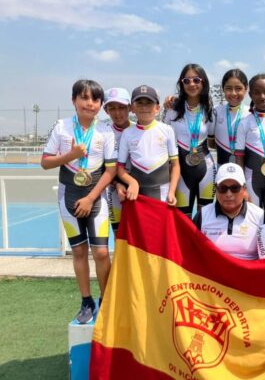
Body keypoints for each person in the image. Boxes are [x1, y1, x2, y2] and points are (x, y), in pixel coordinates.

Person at [41, 79, 116, 324]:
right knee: (79, 251)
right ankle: (86, 301)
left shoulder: (105, 130)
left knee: (102, 253)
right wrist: (71, 156)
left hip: (95, 199)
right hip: (69, 197)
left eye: (95, 99)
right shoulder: (61, 127)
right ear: (74, 100)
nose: (90, 103)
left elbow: (111, 170)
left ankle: (106, 299)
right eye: (84, 98)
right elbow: (45, 162)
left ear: (101, 104)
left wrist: (91, 197)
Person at [164, 64, 216, 218]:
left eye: (196, 80)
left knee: (204, 219)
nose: (192, 84)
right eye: (186, 81)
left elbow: (213, 142)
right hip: (180, 172)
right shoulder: (172, 110)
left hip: (206, 170)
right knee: (182, 220)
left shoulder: (210, 110)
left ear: (203, 82)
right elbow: (164, 142)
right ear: (181, 84)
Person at [117, 85, 180, 204]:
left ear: (157, 108)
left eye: (149, 103)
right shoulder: (127, 133)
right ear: (132, 108)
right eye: (139, 103)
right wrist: (132, 182)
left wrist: (171, 191)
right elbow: (120, 168)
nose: (144, 107)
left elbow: (175, 166)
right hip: (136, 194)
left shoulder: (167, 130)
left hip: (164, 192)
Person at [235, 73, 265, 223]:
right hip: (251, 179)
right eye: (257, 92)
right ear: (250, 94)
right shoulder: (244, 123)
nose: (262, 96)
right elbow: (239, 157)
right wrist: (241, 185)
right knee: (252, 219)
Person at [193, 163, 264, 260]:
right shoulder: (202, 216)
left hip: (247, 274)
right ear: (216, 189)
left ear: (244, 189)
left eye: (235, 188)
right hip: (212, 274)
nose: (228, 194)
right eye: (223, 188)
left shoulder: (260, 217)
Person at [103, 87, 132, 233]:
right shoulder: (102, 133)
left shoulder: (140, 129)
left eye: (121, 107)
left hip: (139, 189)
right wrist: (117, 183)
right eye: (112, 108)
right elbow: (101, 166)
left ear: (130, 108)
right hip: (114, 192)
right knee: (120, 236)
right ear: (106, 110)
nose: (117, 113)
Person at [208, 69, 251, 166]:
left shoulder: (251, 113)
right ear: (223, 89)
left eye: (238, 88)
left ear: (246, 88)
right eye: (228, 88)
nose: (233, 93)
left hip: (246, 170)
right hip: (222, 169)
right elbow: (210, 143)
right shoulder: (216, 111)